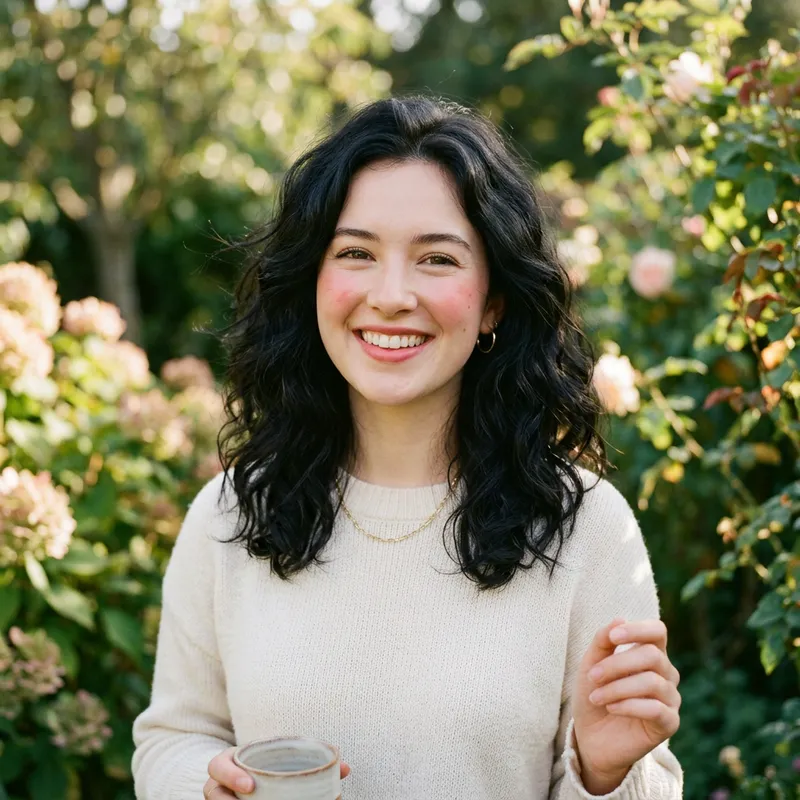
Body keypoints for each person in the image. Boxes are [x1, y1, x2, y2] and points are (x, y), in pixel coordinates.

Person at [131, 95, 683, 799]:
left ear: (493, 301)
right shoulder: (229, 515)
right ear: (313, 282)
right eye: (356, 253)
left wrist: (604, 774)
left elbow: (645, 782)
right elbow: (173, 740)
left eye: (437, 259)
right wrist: (204, 789)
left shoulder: (587, 528)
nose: (391, 295)